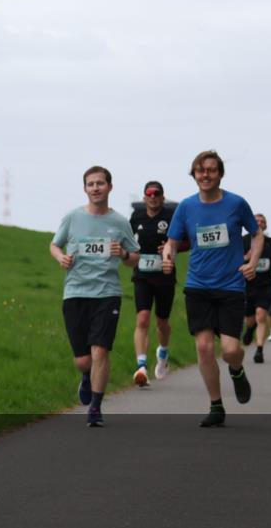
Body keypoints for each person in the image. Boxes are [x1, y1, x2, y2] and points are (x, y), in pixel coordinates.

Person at [163, 151, 259, 427]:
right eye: (200, 170)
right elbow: (172, 241)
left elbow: (256, 233)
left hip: (230, 287)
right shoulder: (186, 207)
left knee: (230, 351)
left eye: (211, 170)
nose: (205, 175)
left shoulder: (236, 204)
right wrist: (167, 256)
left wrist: (251, 261)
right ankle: (216, 406)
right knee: (204, 348)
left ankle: (237, 371)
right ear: (193, 174)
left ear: (219, 174)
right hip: (198, 286)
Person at [51, 166, 140, 427]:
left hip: (107, 293)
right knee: (83, 359)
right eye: (91, 184)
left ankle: (96, 408)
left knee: (100, 351)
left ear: (109, 187)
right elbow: (55, 244)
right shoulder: (72, 218)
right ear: (85, 189)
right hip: (76, 292)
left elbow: (135, 258)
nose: (96, 188)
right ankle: (87, 376)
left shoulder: (120, 222)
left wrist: (123, 254)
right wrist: (61, 257)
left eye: (100, 183)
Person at [129, 181, 186, 384]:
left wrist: (172, 247)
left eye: (157, 194)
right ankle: (141, 366)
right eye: (149, 194)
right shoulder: (136, 216)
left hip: (165, 275)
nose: (153, 197)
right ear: (144, 198)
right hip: (142, 274)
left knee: (162, 322)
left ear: (162, 197)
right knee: (143, 318)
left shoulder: (172, 217)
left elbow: (187, 240)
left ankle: (163, 352)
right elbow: (128, 240)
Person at [241, 214, 271, 363]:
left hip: (265, 285)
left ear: (265, 226)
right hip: (247, 285)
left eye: (262, 221)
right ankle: (250, 330)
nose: (259, 223)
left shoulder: (270, 242)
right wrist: (247, 257)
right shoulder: (243, 240)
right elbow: (235, 260)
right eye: (256, 221)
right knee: (250, 320)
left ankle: (259, 350)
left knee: (261, 315)